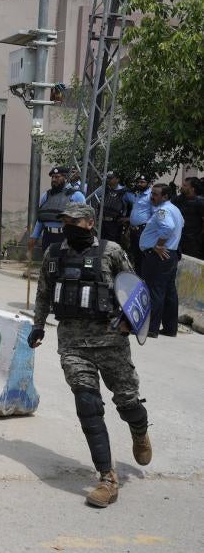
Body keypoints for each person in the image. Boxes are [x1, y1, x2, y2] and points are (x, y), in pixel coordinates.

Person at [29, 203, 152, 508]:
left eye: (73, 221)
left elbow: (136, 289)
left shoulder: (111, 251)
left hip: (111, 341)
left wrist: (129, 321)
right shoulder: (54, 253)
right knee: (87, 404)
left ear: (89, 223)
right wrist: (38, 326)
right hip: (72, 342)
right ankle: (108, 478)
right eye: (64, 221)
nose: (67, 226)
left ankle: (139, 431)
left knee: (127, 402)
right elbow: (44, 292)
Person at [140, 184, 183, 338]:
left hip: (159, 255)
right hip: (170, 254)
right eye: (152, 193)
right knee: (169, 291)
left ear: (165, 196)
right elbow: (179, 226)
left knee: (154, 290)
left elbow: (168, 228)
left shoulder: (162, 211)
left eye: (156, 194)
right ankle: (170, 328)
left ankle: (151, 328)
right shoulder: (175, 209)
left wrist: (158, 245)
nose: (152, 197)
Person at [28, 167, 87, 255]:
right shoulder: (46, 196)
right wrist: (33, 240)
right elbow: (40, 220)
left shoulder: (76, 196)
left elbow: (83, 221)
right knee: (48, 265)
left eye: (57, 177)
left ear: (66, 178)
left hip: (65, 237)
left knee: (63, 266)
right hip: (48, 237)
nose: (54, 179)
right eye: (52, 177)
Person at [124, 175, 153, 277]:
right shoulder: (138, 195)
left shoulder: (151, 196)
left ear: (148, 183)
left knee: (142, 256)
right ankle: (137, 277)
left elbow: (154, 214)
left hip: (143, 230)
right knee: (136, 255)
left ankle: (143, 278)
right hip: (134, 230)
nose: (140, 184)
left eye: (142, 182)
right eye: (139, 182)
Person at [174, 177, 204, 259]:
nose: (182, 187)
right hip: (179, 239)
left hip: (193, 242)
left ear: (192, 188)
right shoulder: (179, 199)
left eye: (185, 185)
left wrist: (199, 237)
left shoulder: (200, 202)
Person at [97, 171, 128, 244]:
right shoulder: (104, 188)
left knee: (112, 245)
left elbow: (136, 205)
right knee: (101, 243)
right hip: (103, 222)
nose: (108, 179)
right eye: (108, 178)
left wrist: (128, 218)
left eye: (111, 178)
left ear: (117, 179)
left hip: (115, 223)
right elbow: (92, 194)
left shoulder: (125, 191)